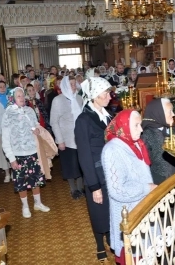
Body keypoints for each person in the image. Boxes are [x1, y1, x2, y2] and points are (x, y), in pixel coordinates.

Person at [102, 109, 156, 261]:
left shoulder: (136, 143)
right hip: (128, 215)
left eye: (141, 125)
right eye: (136, 125)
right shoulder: (112, 150)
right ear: (123, 127)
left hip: (143, 210)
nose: (141, 129)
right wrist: (148, 188)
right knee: (133, 256)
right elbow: (117, 190)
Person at [75, 77, 113, 263]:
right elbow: (84, 156)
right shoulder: (83, 120)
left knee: (111, 209)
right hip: (96, 174)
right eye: (105, 93)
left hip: (112, 172)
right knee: (98, 211)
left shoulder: (108, 115)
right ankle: (99, 244)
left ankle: (110, 237)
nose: (109, 96)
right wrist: (93, 185)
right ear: (94, 96)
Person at [2, 87, 50, 218]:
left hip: (33, 151)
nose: (22, 98)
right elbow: (5, 139)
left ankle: (38, 203)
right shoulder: (7, 114)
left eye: (22, 95)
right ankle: (25, 206)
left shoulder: (29, 110)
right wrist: (11, 158)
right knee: (21, 182)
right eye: (18, 96)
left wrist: (37, 130)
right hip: (18, 154)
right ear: (12, 98)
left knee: (36, 179)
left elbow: (36, 126)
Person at [50, 76, 83, 199]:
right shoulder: (58, 100)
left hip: (79, 138)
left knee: (80, 164)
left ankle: (80, 188)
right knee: (69, 165)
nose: (73, 87)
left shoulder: (79, 99)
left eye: (74, 84)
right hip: (66, 139)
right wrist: (60, 140)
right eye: (70, 85)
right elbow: (54, 122)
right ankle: (73, 189)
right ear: (65, 86)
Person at [141, 98, 175, 184]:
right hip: (160, 180)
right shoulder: (147, 134)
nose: (173, 114)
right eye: (170, 111)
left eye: (173, 111)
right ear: (159, 113)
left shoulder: (173, 129)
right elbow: (144, 164)